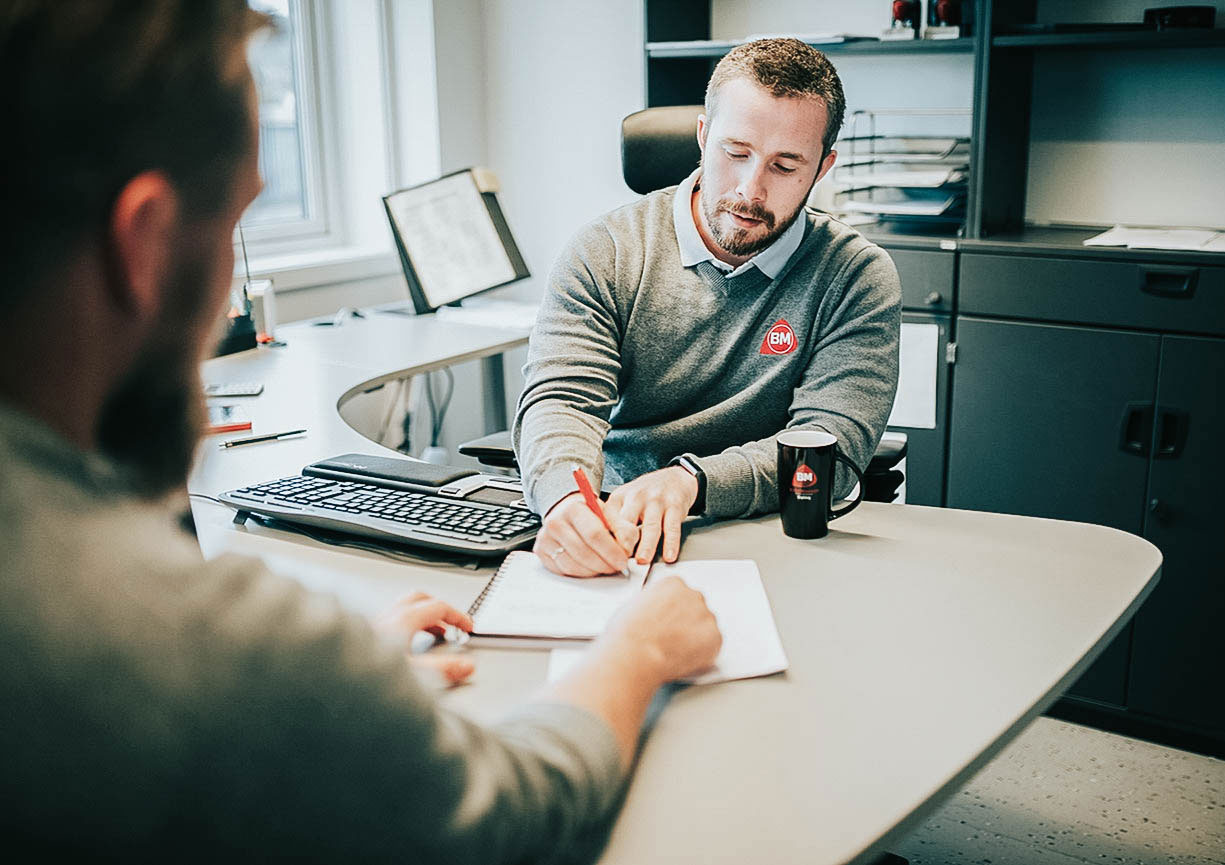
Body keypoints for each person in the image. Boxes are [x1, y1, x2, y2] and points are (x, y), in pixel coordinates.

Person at [0, 2, 720, 861]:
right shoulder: (190, 633)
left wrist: (299, 695)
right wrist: (635, 648)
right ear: (146, 244)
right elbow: (511, 814)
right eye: (235, 221)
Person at [514, 38, 901, 577]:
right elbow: (561, 401)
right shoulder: (607, 250)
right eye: (735, 153)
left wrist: (690, 483)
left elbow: (828, 451)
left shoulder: (855, 275)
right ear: (702, 136)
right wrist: (564, 498)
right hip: (618, 527)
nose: (750, 190)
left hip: (778, 537)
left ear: (823, 167)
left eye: (786, 166)